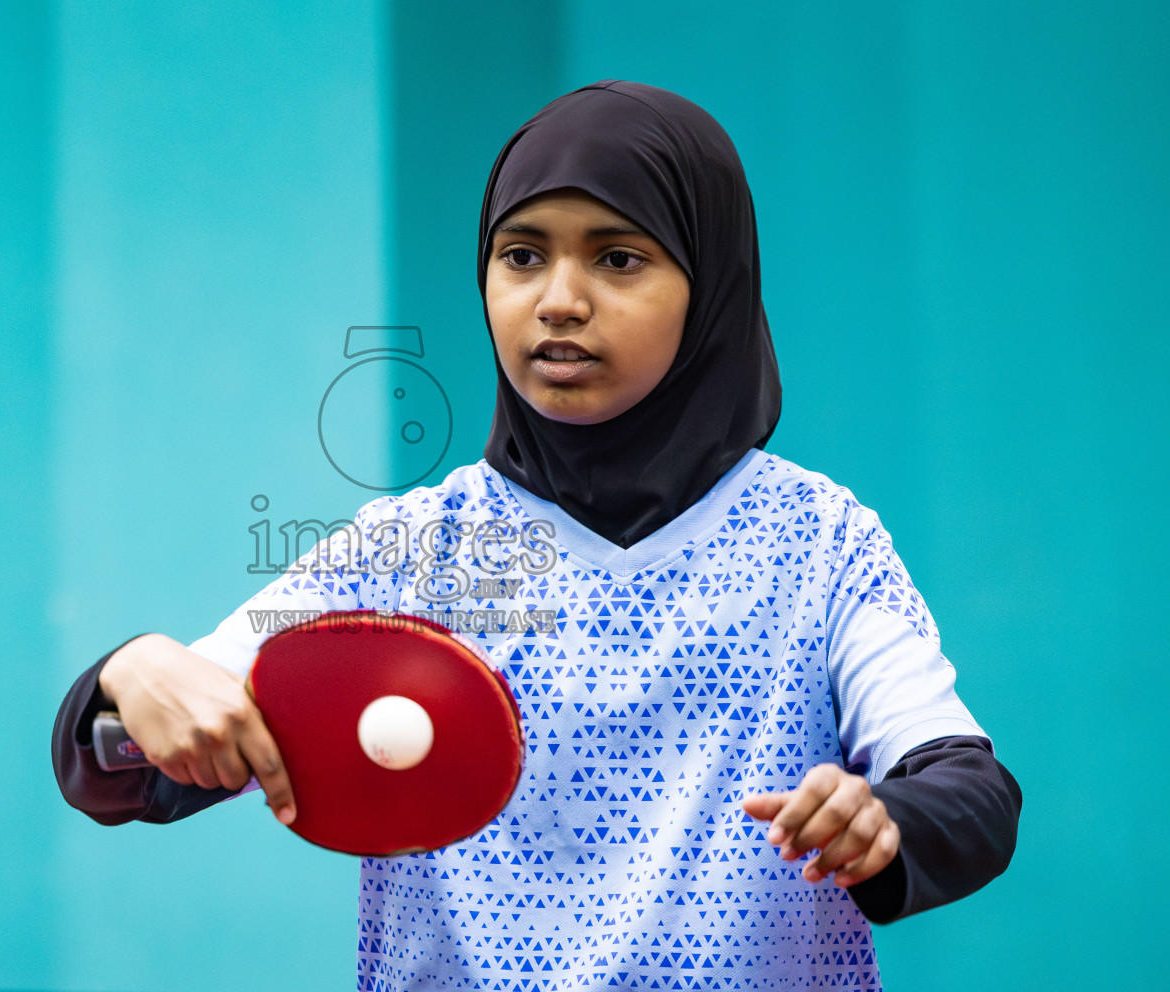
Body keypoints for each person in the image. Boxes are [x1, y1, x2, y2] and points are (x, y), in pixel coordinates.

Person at [52, 80, 1021, 989]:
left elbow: (968, 789)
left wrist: (883, 817)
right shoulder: (407, 553)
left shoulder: (819, 541)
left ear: (710, 286)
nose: (559, 299)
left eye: (618, 257)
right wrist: (131, 671)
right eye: (521, 255)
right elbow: (131, 754)